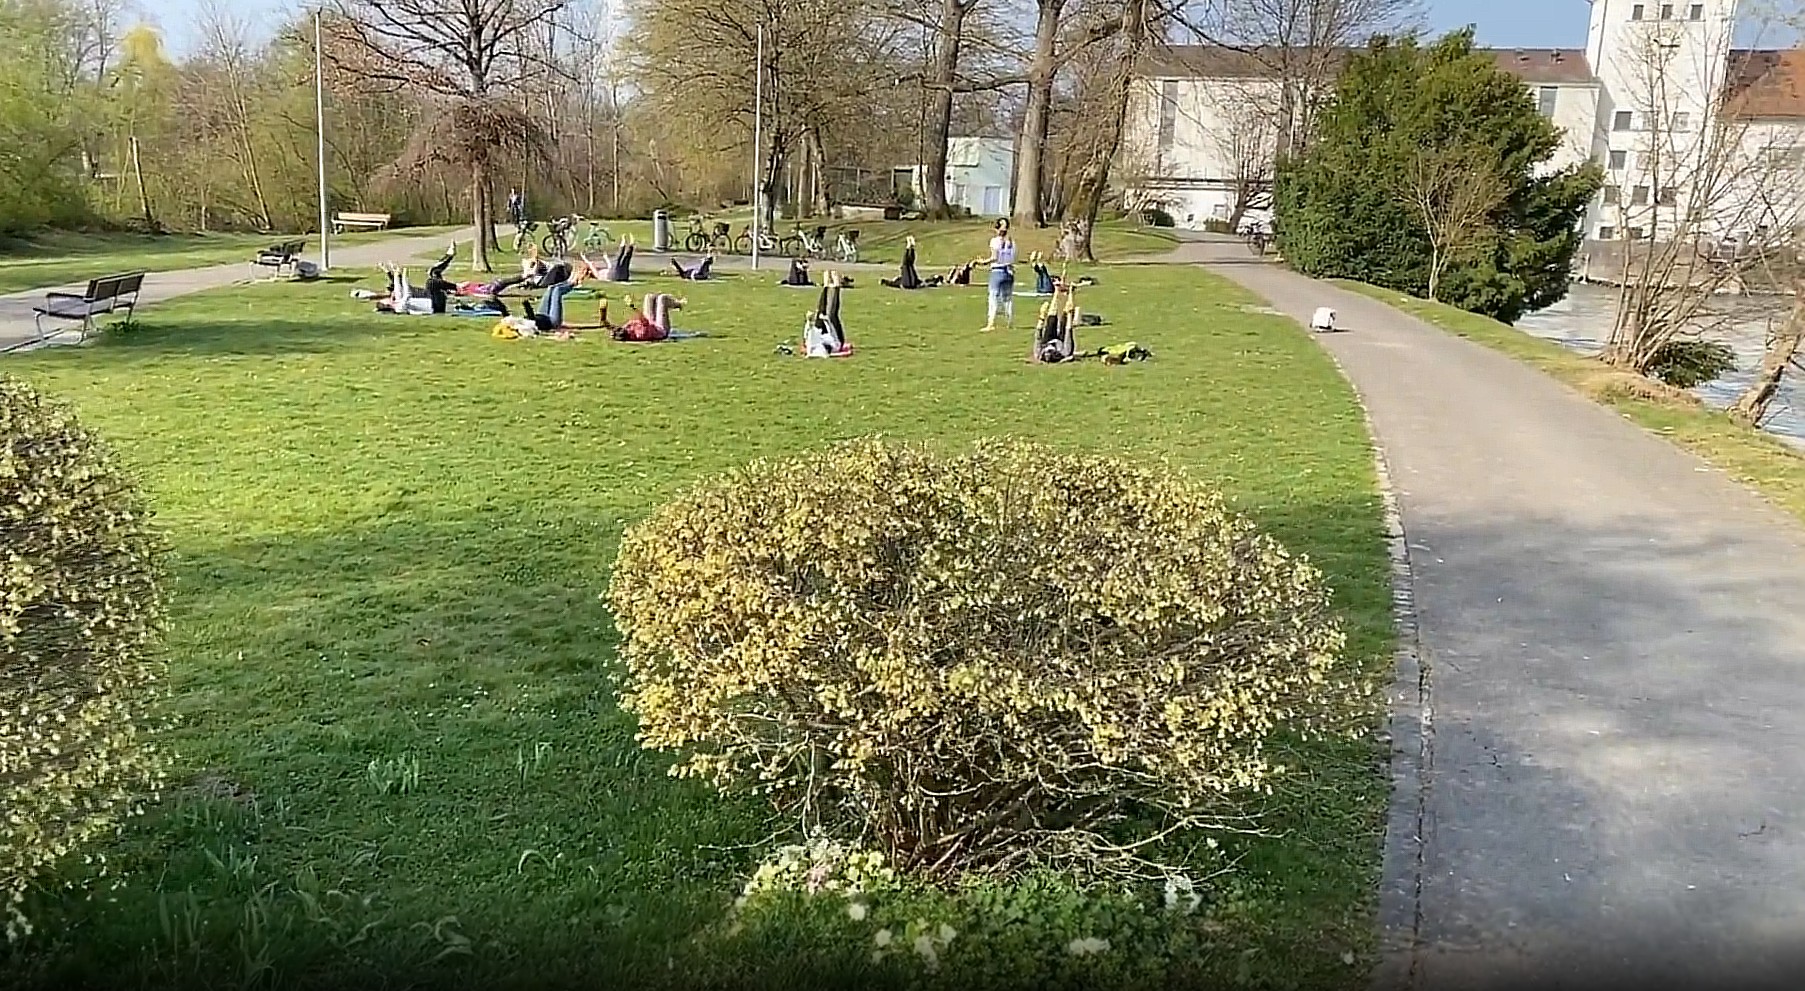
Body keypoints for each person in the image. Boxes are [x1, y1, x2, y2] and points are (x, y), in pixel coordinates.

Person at [520, 258, 595, 332]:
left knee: (551, 288)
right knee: (557, 291)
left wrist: (526, 308)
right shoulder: (519, 327)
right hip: (552, 322)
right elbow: (532, 322)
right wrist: (527, 307)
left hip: (541, 316)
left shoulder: (514, 322)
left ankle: (571, 279)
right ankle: (575, 281)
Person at [975, 218, 1017, 332]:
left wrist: (982, 262)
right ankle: (1009, 322)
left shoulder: (994, 241)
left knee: (993, 297)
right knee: (1007, 298)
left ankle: (991, 323)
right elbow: (1013, 257)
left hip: (998, 270)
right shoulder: (1012, 242)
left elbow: (994, 257)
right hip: (1009, 271)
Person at [804, 271, 852, 357]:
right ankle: (836, 286)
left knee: (819, 312)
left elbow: (808, 332)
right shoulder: (835, 346)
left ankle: (826, 286)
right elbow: (832, 332)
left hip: (821, 333)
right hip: (834, 336)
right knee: (831, 316)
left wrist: (808, 320)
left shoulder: (812, 346)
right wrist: (826, 321)